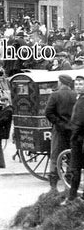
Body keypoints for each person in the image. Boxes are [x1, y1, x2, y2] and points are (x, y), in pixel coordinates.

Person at [45, 74, 77, 190]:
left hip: (59, 131)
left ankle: (53, 186)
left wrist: (59, 123)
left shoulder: (55, 95)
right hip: (73, 130)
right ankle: (69, 184)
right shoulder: (76, 95)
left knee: (55, 156)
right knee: (72, 156)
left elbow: (48, 112)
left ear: (61, 82)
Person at [63, 75, 84, 203]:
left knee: (75, 168)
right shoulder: (79, 98)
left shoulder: (82, 101)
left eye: (81, 84)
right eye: (76, 84)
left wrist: (74, 135)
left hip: (79, 139)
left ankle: (71, 197)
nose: (78, 86)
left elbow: (80, 121)